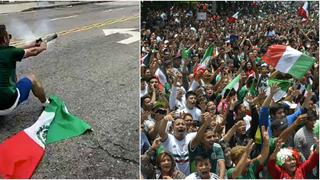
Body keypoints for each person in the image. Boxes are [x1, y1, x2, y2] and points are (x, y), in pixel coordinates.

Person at [0, 24, 49, 116]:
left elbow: (13, 51)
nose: (10, 38)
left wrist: (30, 45)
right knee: (32, 78)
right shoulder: (10, 52)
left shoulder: (10, 52)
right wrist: (42, 47)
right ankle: (46, 104)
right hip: (6, 104)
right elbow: (33, 52)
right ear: (5, 39)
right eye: (8, 36)